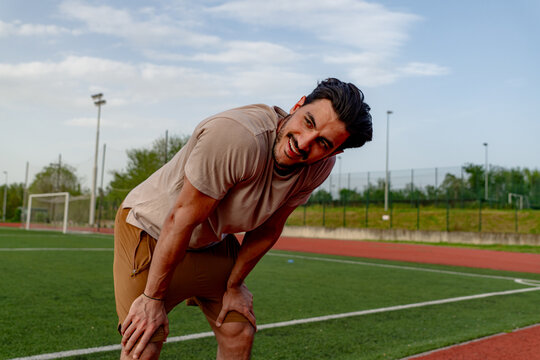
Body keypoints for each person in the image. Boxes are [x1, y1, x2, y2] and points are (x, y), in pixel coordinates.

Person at [113, 78, 372, 360]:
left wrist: (235, 286)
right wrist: (152, 299)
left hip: (211, 241)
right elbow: (182, 219)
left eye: (323, 142)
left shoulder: (319, 167)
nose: (303, 143)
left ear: (335, 152)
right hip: (153, 228)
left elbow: (270, 227)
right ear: (297, 105)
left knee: (239, 330)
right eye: (308, 122)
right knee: (144, 342)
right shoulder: (237, 136)